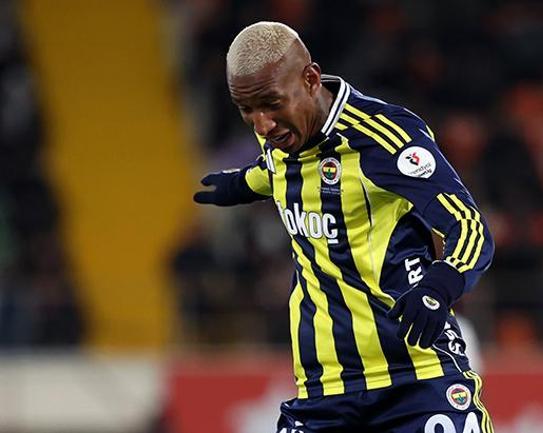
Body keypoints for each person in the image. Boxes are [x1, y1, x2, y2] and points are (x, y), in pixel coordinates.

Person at [194, 21, 495, 433]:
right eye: (246, 110)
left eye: (270, 104)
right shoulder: (281, 136)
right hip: (325, 390)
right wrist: (241, 184)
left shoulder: (384, 138)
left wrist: (439, 286)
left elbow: (468, 224)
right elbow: (279, 170)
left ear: (311, 80)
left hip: (416, 378)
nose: (261, 125)